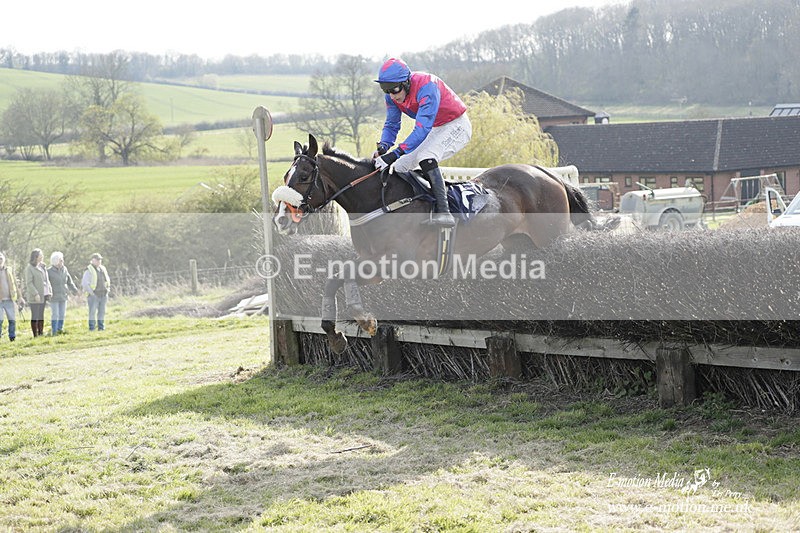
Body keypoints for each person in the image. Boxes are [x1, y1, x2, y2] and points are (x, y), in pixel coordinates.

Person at [373, 57, 472, 226]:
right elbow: (391, 124)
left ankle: (444, 212)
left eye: (395, 89)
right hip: (435, 127)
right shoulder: (392, 97)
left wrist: (394, 153)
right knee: (399, 167)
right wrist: (384, 146)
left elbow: (421, 129)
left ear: (406, 82)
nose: (391, 95)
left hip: (457, 124)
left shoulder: (427, 86)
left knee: (426, 156)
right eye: (386, 89)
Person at [47, 251, 79, 335]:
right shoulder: (49, 271)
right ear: (56, 261)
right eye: (61, 260)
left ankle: (60, 329)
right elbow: (46, 284)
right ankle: (54, 331)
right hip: (54, 297)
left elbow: (69, 281)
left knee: (62, 315)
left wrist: (74, 290)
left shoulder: (65, 269)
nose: (63, 262)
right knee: (55, 314)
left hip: (63, 295)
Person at [23, 248, 52, 338]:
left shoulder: (43, 267)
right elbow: (29, 283)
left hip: (43, 294)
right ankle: (35, 335)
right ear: (35, 257)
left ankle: (41, 333)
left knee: (41, 314)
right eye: (40, 255)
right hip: (35, 296)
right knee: (35, 315)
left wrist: (49, 291)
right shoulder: (30, 268)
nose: (42, 256)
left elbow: (46, 280)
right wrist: (35, 294)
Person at [81, 252, 110, 331]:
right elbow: (85, 283)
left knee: (102, 312)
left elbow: (107, 279)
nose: (99, 261)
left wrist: (108, 289)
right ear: (92, 260)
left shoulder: (102, 268)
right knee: (92, 313)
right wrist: (92, 293)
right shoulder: (88, 270)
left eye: (100, 260)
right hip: (94, 295)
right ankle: (92, 328)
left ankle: (101, 327)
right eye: (97, 260)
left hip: (103, 294)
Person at [0, 252, 25, 342]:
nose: (0, 260)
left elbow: (15, 283)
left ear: (4, 260)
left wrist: (20, 297)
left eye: (1, 258)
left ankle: (12, 337)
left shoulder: (8, 270)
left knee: (12, 320)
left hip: (9, 299)